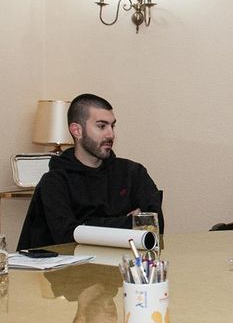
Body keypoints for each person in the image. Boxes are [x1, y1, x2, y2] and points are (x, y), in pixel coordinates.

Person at [19, 94, 163, 247]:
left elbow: (154, 225)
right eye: (101, 126)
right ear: (77, 130)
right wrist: (129, 222)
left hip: (127, 266)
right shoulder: (55, 182)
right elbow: (67, 237)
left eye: (112, 126)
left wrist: (86, 225)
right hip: (72, 269)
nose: (111, 134)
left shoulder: (133, 173)